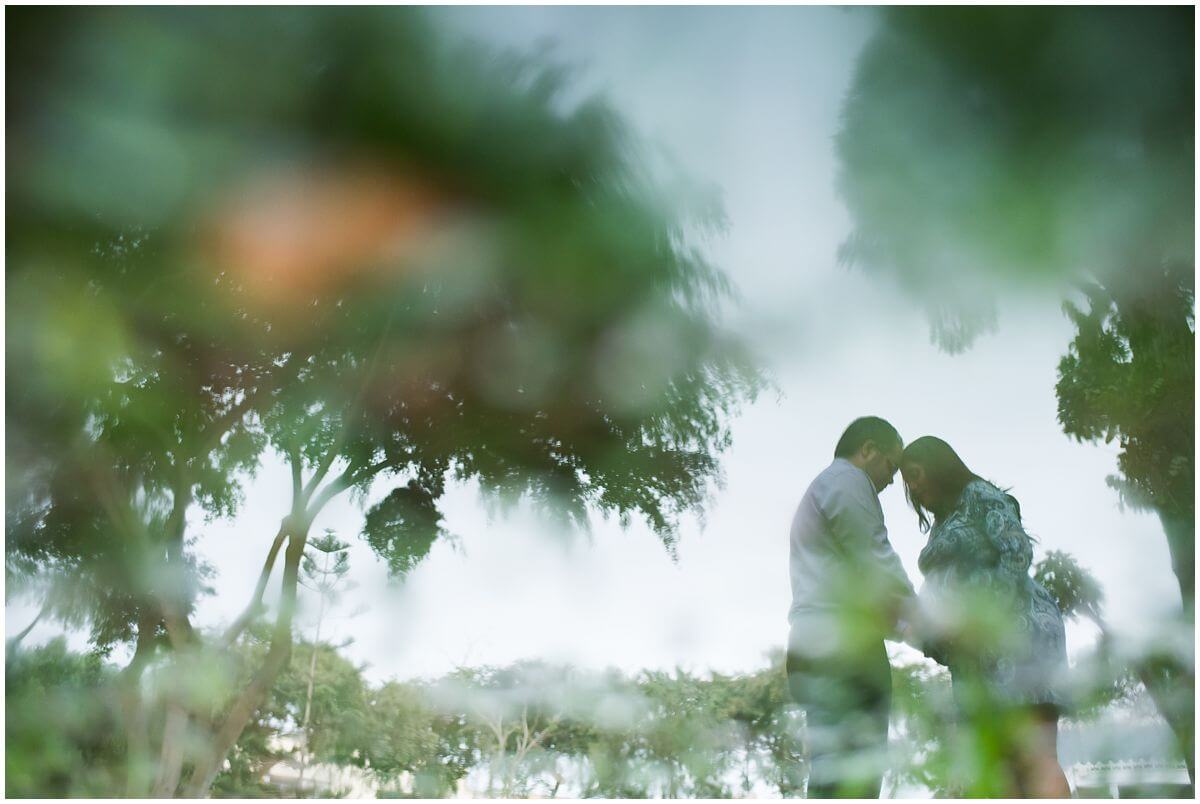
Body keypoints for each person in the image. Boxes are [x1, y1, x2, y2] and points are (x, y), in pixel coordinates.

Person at [899, 436, 1070, 798]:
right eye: (907, 481)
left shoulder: (980, 495)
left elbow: (1016, 553)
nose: (912, 486)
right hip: (974, 653)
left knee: (1035, 757)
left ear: (938, 466)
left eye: (915, 474)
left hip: (1017, 631)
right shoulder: (944, 522)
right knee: (996, 763)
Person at [786, 416, 916, 798]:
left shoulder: (822, 488)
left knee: (833, 773)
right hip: (844, 648)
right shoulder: (848, 481)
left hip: (816, 642)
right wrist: (928, 623)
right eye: (891, 465)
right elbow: (877, 559)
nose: (892, 479)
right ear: (868, 449)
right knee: (855, 776)